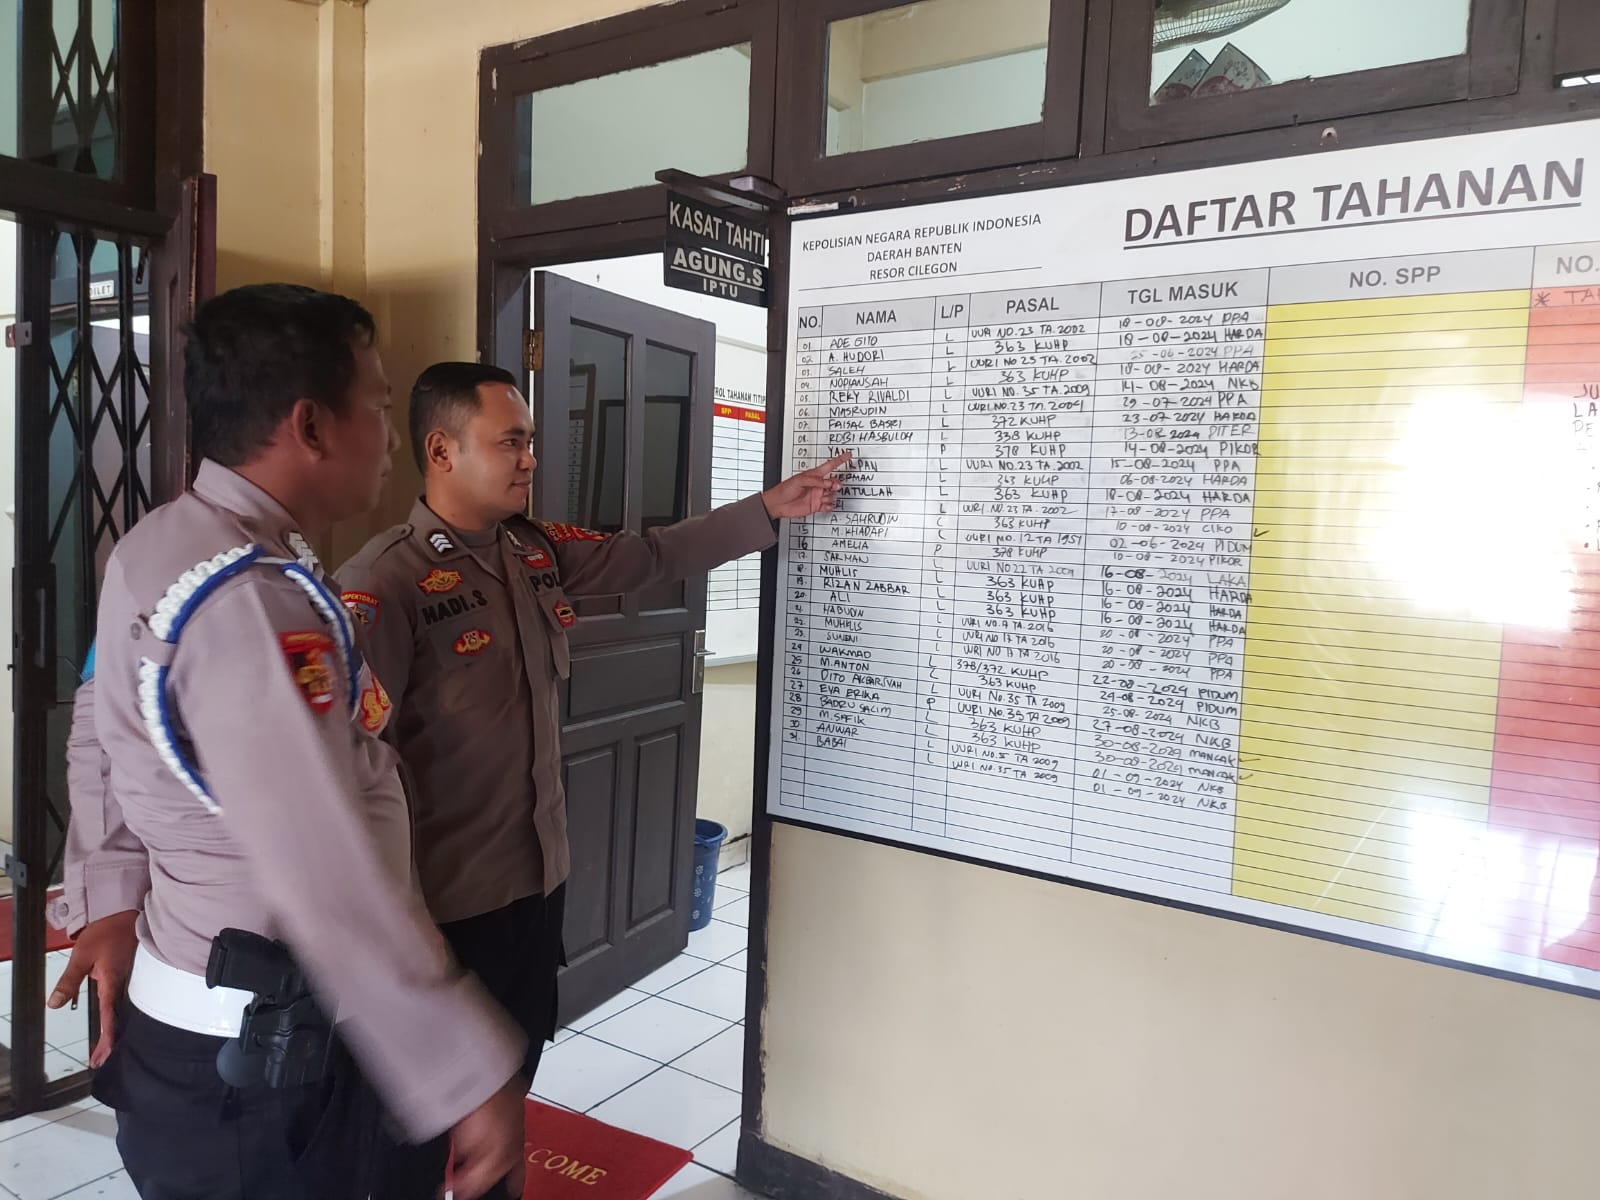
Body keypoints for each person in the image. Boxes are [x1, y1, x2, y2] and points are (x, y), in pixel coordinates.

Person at [53, 287, 530, 1200]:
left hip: (200, 1035)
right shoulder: (251, 600)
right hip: (266, 1071)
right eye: (379, 407)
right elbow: (320, 861)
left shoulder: (166, 545)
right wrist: (463, 1073)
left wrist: (109, 897)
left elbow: (98, 719)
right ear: (310, 425)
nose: (391, 441)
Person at [337, 361, 847, 1195]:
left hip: (535, 889)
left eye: (531, 440)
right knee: (413, 1143)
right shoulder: (381, 584)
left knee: (508, 1096)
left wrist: (766, 511)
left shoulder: (530, 552)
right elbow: (348, 777)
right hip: (443, 914)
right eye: (510, 441)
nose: (530, 458)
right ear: (441, 450)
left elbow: (651, 555)